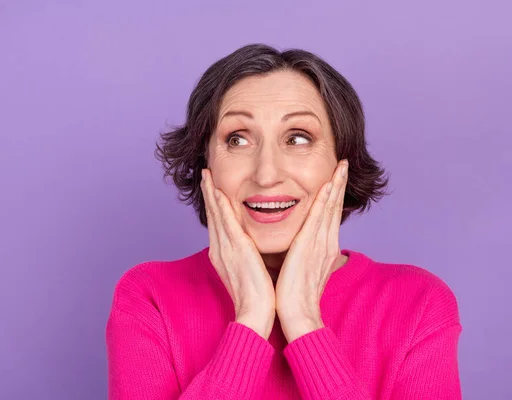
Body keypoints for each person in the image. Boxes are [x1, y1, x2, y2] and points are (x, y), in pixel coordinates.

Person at [106, 43, 462, 399]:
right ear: (206, 166)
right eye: (238, 139)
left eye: (297, 138)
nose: (266, 174)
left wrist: (304, 320)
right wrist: (251, 318)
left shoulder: (418, 304)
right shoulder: (148, 296)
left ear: (342, 162)